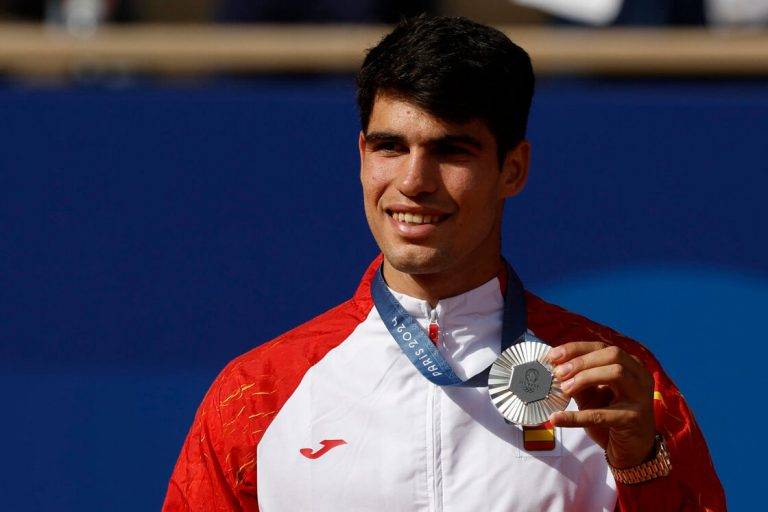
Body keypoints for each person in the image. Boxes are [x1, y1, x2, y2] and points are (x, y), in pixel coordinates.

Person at [162, 15, 725, 511]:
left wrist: (640, 468)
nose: (413, 182)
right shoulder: (257, 393)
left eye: (452, 151)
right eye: (391, 147)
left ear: (514, 169)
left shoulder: (619, 386)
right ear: (362, 156)